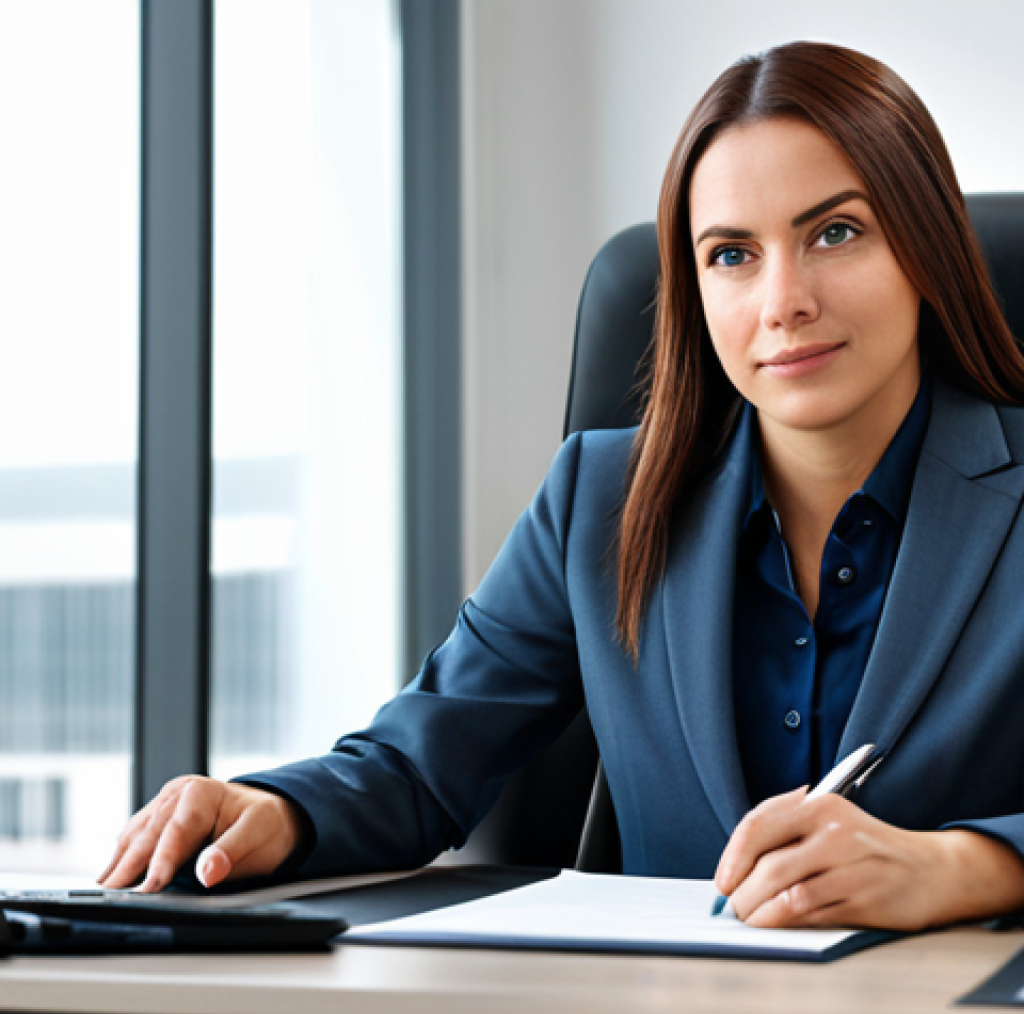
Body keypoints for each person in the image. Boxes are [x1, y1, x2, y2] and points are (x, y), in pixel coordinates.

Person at [100, 40, 1024, 930]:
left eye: (834, 232)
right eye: (732, 255)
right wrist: (273, 809)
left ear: (924, 244)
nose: (783, 300)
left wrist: (959, 866)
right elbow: (420, 766)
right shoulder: (600, 499)